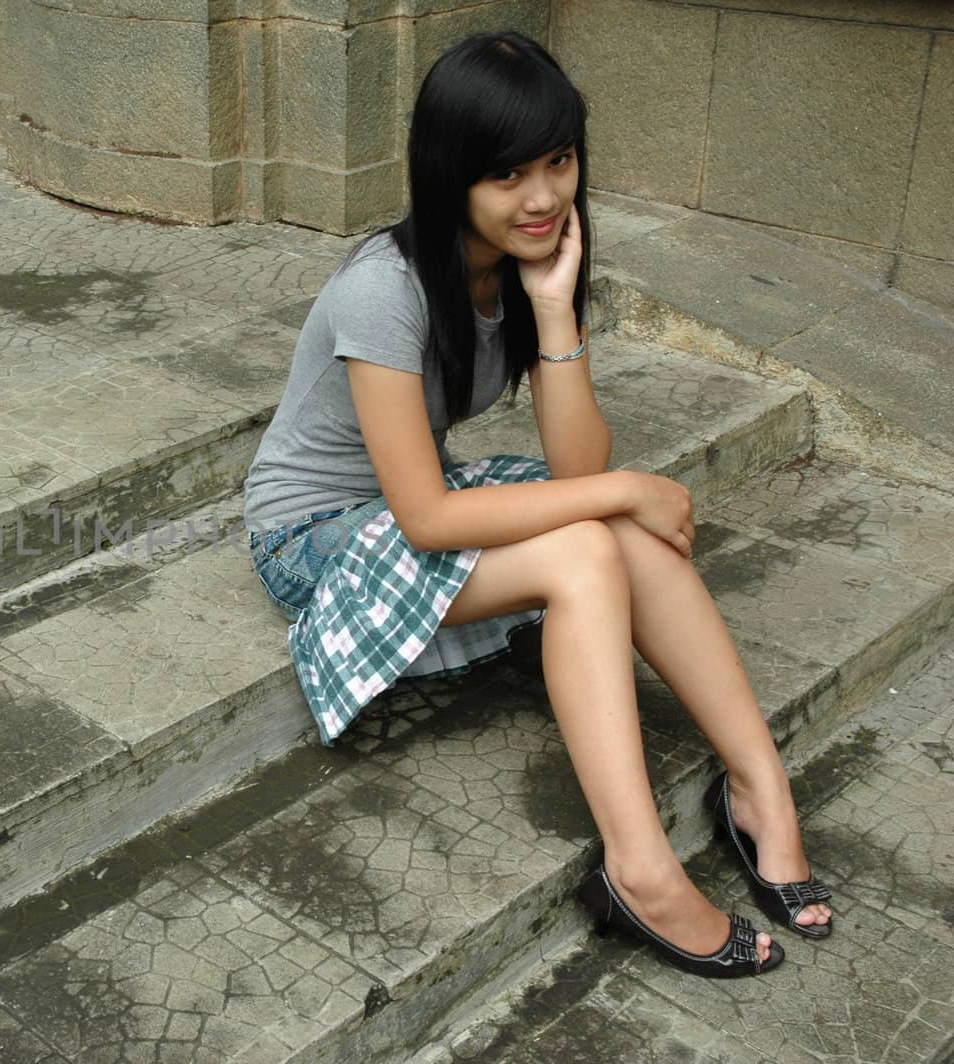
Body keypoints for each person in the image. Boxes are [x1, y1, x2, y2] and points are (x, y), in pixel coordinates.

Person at [241, 31, 832, 979]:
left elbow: (572, 464)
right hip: (312, 537)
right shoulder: (381, 290)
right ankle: (642, 873)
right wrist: (628, 488)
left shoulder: (524, 262)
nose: (545, 196)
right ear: (452, 176)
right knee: (593, 540)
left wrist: (555, 312)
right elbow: (431, 519)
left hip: (404, 511)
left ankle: (762, 792)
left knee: (614, 531)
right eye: (509, 173)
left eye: (559, 162)